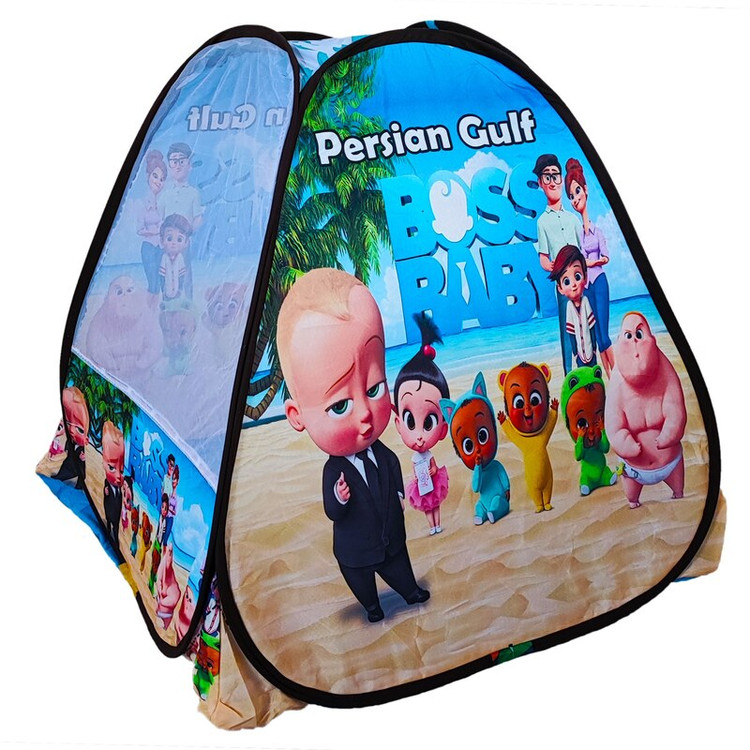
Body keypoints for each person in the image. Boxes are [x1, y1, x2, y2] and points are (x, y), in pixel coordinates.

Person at [278, 268, 429, 623]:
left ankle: (409, 590)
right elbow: (333, 509)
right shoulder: (335, 472)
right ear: (297, 416)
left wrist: (400, 492)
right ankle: (372, 605)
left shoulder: (382, 454)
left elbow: (391, 465)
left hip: (390, 537)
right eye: (339, 406)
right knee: (362, 582)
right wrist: (339, 497)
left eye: (375, 388)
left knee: (399, 566)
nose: (364, 413)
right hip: (355, 550)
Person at [393, 313, 450, 536]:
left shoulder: (427, 455)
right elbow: (414, 470)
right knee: (427, 505)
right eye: (409, 421)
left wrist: (433, 470)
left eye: (429, 423)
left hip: (432, 482)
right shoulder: (416, 458)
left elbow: (432, 464)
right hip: (423, 484)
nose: (419, 436)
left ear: (443, 428)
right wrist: (417, 477)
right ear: (398, 423)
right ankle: (432, 526)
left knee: (435, 504)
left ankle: (437, 525)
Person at [564, 158, 615, 376]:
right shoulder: (578, 235)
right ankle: (609, 378)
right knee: (597, 336)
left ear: (585, 190)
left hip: (599, 281)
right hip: (587, 286)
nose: (575, 199)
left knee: (605, 335)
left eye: (577, 192)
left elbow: (606, 257)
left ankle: (618, 376)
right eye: (571, 196)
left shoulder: (597, 232)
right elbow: (580, 262)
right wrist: (587, 263)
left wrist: (590, 262)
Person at [533, 154, 583, 374]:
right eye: (547, 177)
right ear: (540, 183)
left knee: (586, 324)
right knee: (566, 328)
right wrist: (556, 269)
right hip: (563, 286)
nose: (553, 182)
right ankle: (568, 373)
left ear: (562, 179)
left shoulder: (573, 219)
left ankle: (588, 366)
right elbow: (543, 258)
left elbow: (583, 250)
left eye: (556, 176)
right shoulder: (542, 222)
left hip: (582, 282)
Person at [549, 245, 597, 369]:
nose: (574, 285)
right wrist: (575, 354)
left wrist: (594, 348)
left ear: (585, 277)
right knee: (582, 376)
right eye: (566, 281)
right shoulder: (569, 307)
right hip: (580, 354)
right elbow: (571, 334)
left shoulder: (585, 301)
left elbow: (592, 328)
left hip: (590, 352)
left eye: (577, 277)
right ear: (560, 288)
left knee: (594, 374)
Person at [138, 150, 166, 305]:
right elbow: (139, 229)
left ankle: (162, 312)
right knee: (153, 284)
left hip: (161, 248)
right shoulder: (142, 203)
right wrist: (154, 231)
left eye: (162, 179)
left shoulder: (163, 202)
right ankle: (151, 312)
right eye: (155, 176)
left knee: (164, 282)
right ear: (148, 176)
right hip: (149, 247)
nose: (158, 182)